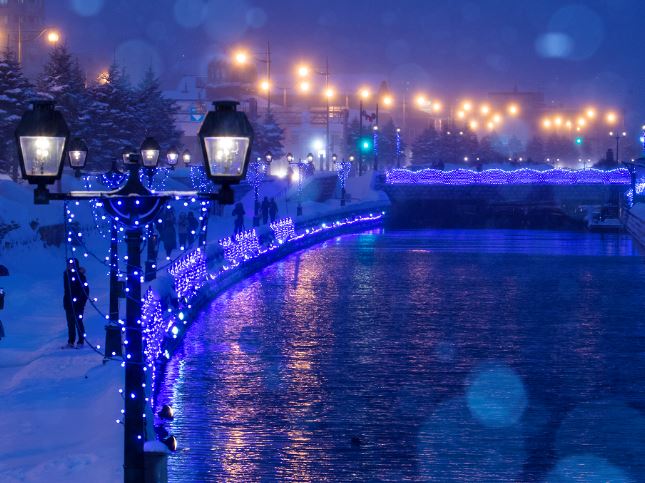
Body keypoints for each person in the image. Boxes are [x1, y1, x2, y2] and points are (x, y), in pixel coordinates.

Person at [63, 258, 89, 348]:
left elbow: (86, 291)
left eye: (72, 264)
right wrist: (66, 302)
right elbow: (67, 290)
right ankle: (71, 341)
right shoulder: (66, 275)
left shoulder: (80, 276)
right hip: (68, 304)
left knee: (78, 322)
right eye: (68, 264)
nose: (70, 266)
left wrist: (81, 302)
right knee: (70, 323)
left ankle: (81, 341)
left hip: (78, 304)